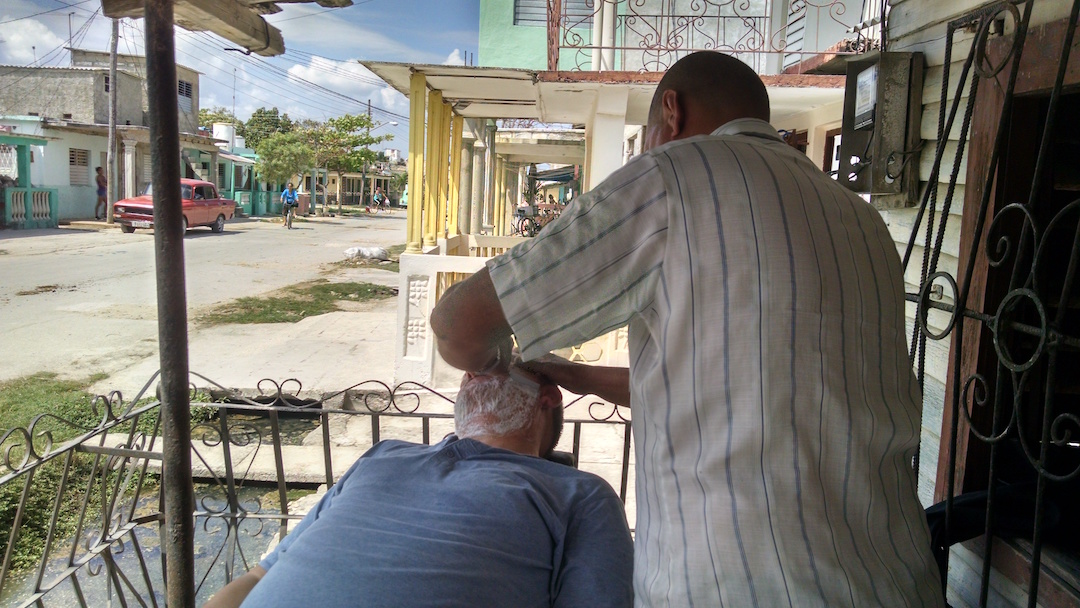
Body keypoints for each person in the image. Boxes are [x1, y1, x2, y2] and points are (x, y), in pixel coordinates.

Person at [429, 51, 944, 607]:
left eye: (649, 132)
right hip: (895, 577)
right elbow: (742, 384)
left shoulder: (672, 177)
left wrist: (495, 365)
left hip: (739, 585)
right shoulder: (859, 218)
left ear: (669, 113)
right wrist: (573, 374)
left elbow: (457, 326)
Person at [204, 369, 634, 608]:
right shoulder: (384, 453)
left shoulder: (578, 494)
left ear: (548, 399)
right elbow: (260, 574)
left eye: (504, 367)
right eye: (475, 370)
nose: (475, 370)